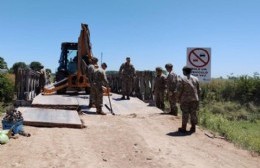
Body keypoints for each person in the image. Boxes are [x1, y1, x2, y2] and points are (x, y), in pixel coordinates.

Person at [177, 66, 200, 133]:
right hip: (195, 99)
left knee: (185, 113)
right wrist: (198, 98)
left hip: (185, 100)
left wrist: (178, 98)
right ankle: (193, 127)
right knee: (193, 113)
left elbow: (179, 90)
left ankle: (183, 128)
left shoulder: (181, 79)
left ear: (184, 71)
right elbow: (199, 90)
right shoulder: (196, 79)